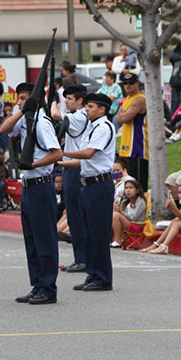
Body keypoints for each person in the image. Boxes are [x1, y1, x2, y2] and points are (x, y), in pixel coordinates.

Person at [1, 82, 63, 305]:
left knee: (44, 238)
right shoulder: (25, 121)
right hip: (28, 187)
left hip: (41, 184)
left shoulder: (42, 123)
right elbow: (4, 129)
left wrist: (33, 164)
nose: (20, 101)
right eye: (19, 98)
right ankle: (37, 284)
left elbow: (57, 153)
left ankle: (48, 288)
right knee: (31, 239)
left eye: (25, 98)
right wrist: (21, 110)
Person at [61, 93, 116, 292]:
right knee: (89, 232)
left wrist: (60, 152)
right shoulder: (92, 127)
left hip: (99, 185)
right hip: (88, 184)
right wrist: (56, 161)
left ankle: (103, 278)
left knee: (99, 232)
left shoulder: (103, 127)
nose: (86, 109)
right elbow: (83, 160)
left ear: (102, 109)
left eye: (91, 106)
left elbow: (88, 153)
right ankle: (93, 274)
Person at [51, 84, 89, 273]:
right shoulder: (78, 116)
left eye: (69, 99)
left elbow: (56, 115)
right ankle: (80, 257)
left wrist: (52, 102)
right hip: (71, 166)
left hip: (75, 168)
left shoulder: (81, 115)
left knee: (76, 214)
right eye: (64, 99)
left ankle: (83, 258)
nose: (66, 102)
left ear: (80, 100)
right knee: (73, 214)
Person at [116, 72, 149, 191]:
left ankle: (143, 208)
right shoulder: (128, 99)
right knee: (128, 185)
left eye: (131, 83)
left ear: (138, 83)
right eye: (125, 83)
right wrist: (122, 115)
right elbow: (118, 119)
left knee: (138, 186)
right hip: (127, 147)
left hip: (137, 149)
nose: (127, 85)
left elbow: (123, 118)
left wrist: (122, 114)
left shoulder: (139, 99)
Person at [111, 179, 147, 246]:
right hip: (130, 224)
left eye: (131, 188)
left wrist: (121, 212)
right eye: (126, 188)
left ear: (137, 190)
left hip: (138, 227)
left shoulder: (141, 201)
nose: (128, 190)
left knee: (116, 215)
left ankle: (118, 241)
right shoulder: (128, 202)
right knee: (111, 216)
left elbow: (133, 217)